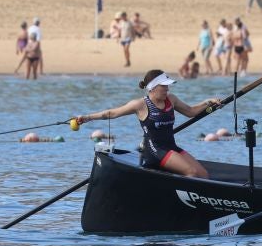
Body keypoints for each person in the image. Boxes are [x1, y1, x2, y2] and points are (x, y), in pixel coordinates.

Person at [74, 70, 220, 178]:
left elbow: (191, 111)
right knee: (191, 172)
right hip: (154, 151)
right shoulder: (140, 105)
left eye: (168, 86)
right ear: (153, 88)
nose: (167, 89)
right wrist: (86, 117)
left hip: (170, 147)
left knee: (203, 174)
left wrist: (208, 103)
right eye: (164, 86)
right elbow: (111, 113)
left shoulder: (171, 99)